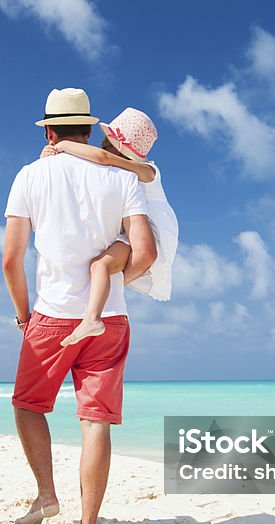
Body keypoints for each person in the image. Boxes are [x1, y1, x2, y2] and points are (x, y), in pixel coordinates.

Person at [3, 88, 156, 524]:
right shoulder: (124, 177)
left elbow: (11, 260)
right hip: (109, 318)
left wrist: (23, 316)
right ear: (90, 130)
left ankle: (47, 494)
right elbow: (144, 253)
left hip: (51, 315)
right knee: (95, 422)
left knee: (28, 405)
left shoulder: (29, 176)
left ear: (50, 131)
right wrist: (109, 285)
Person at [42, 107, 180, 346]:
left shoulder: (149, 171)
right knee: (101, 268)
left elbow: (102, 159)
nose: (100, 148)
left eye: (106, 144)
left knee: (102, 266)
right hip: (134, 228)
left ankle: (92, 318)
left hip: (153, 230)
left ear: (122, 150)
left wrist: (62, 146)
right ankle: (94, 314)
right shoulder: (120, 174)